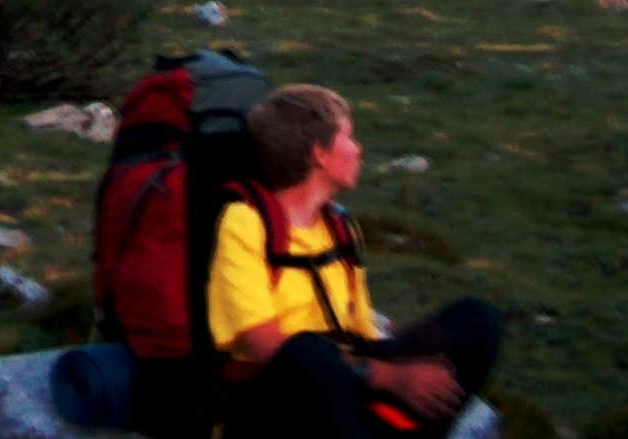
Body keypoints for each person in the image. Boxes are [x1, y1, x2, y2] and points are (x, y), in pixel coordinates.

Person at [207, 85, 501, 439]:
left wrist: (409, 359)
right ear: (319, 153)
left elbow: (360, 332)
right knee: (308, 352)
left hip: (347, 379)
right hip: (278, 394)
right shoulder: (245, 221)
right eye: (348, 137)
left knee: (476, 320)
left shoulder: (338, 225)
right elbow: (264, 345)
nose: (359, 149)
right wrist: (392, 377)